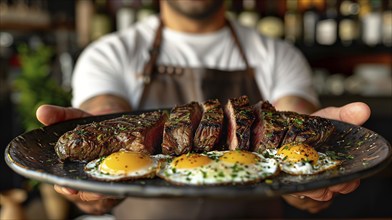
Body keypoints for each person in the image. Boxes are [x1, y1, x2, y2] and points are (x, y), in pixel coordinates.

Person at [36, 0, 371, 218]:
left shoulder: (279, 54)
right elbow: (105, 108)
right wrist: (101, 170)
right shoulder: (110, 52)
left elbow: (292, 111)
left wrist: (307, 173)